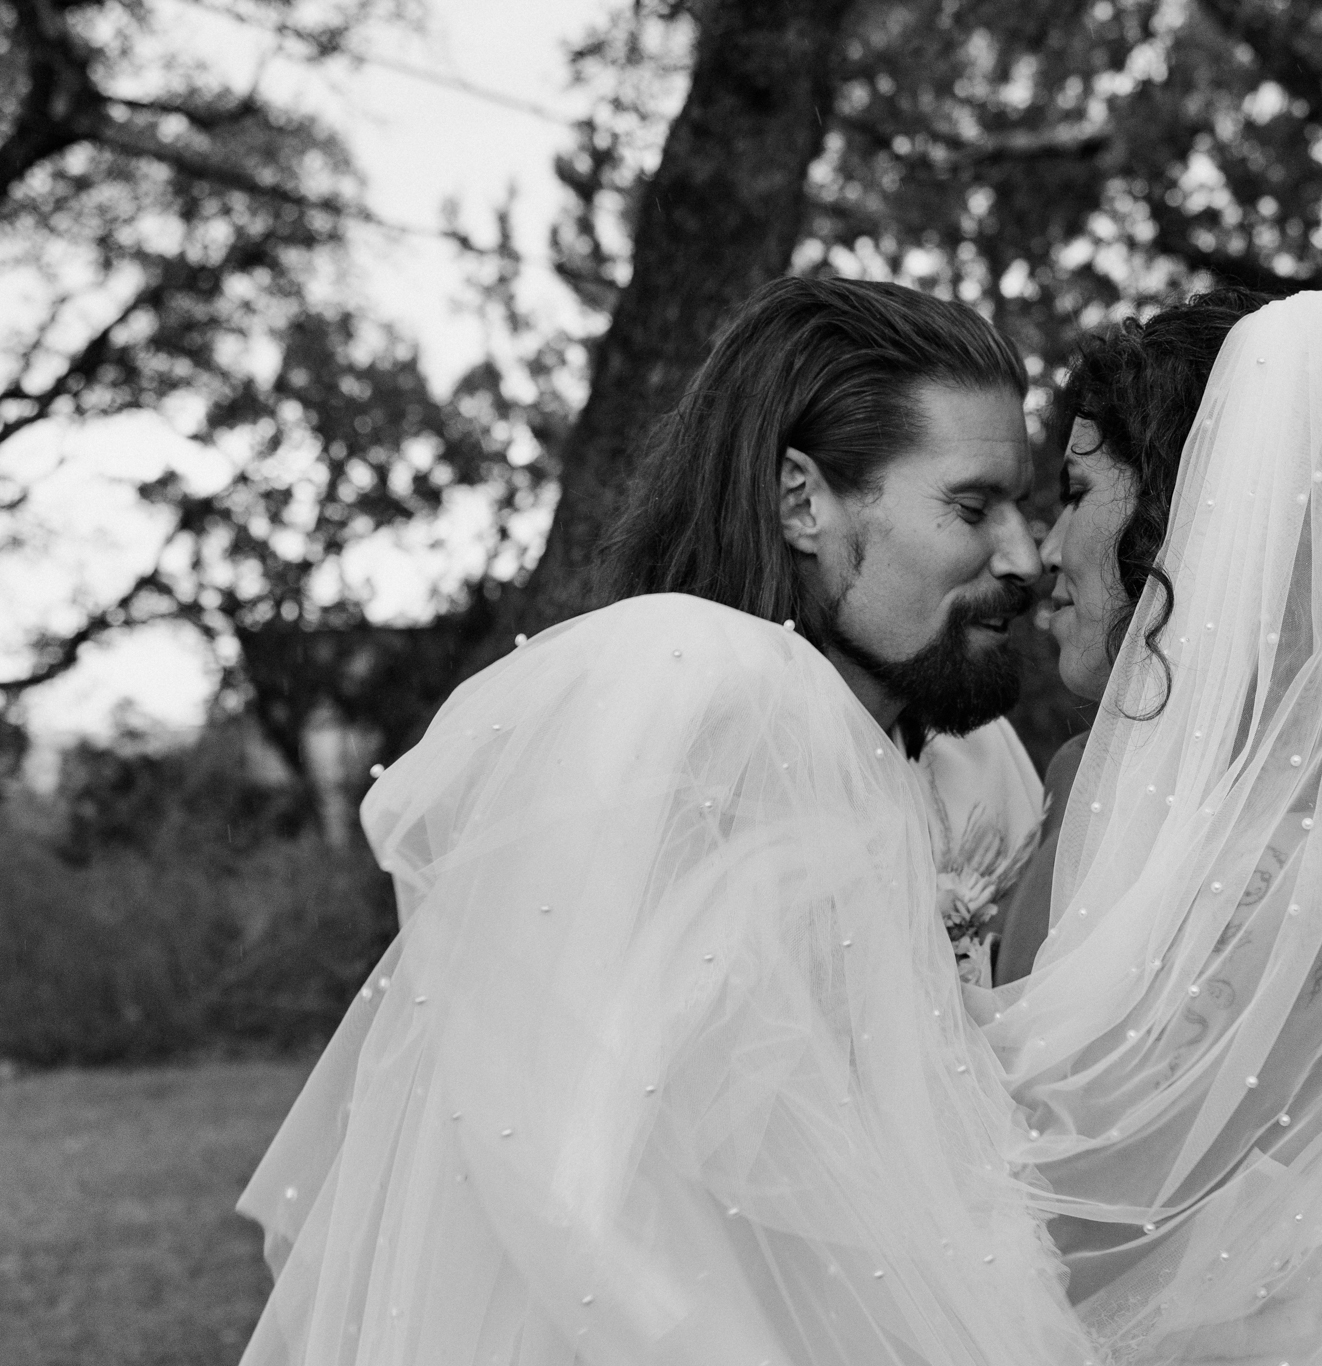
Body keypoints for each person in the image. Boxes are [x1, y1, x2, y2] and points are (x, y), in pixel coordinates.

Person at [235, 278, 1088, 1366]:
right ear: (801, 501)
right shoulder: (673, 701)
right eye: (971, 509)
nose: (1021, 555)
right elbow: (554, 1165)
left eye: (1023, 505)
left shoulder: (976, 760)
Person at [978, 289, 1322, 1365]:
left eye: (1074, 493)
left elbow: (1057, 1170)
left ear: (1191, 516)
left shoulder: (1300, 861)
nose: (1044, 552)